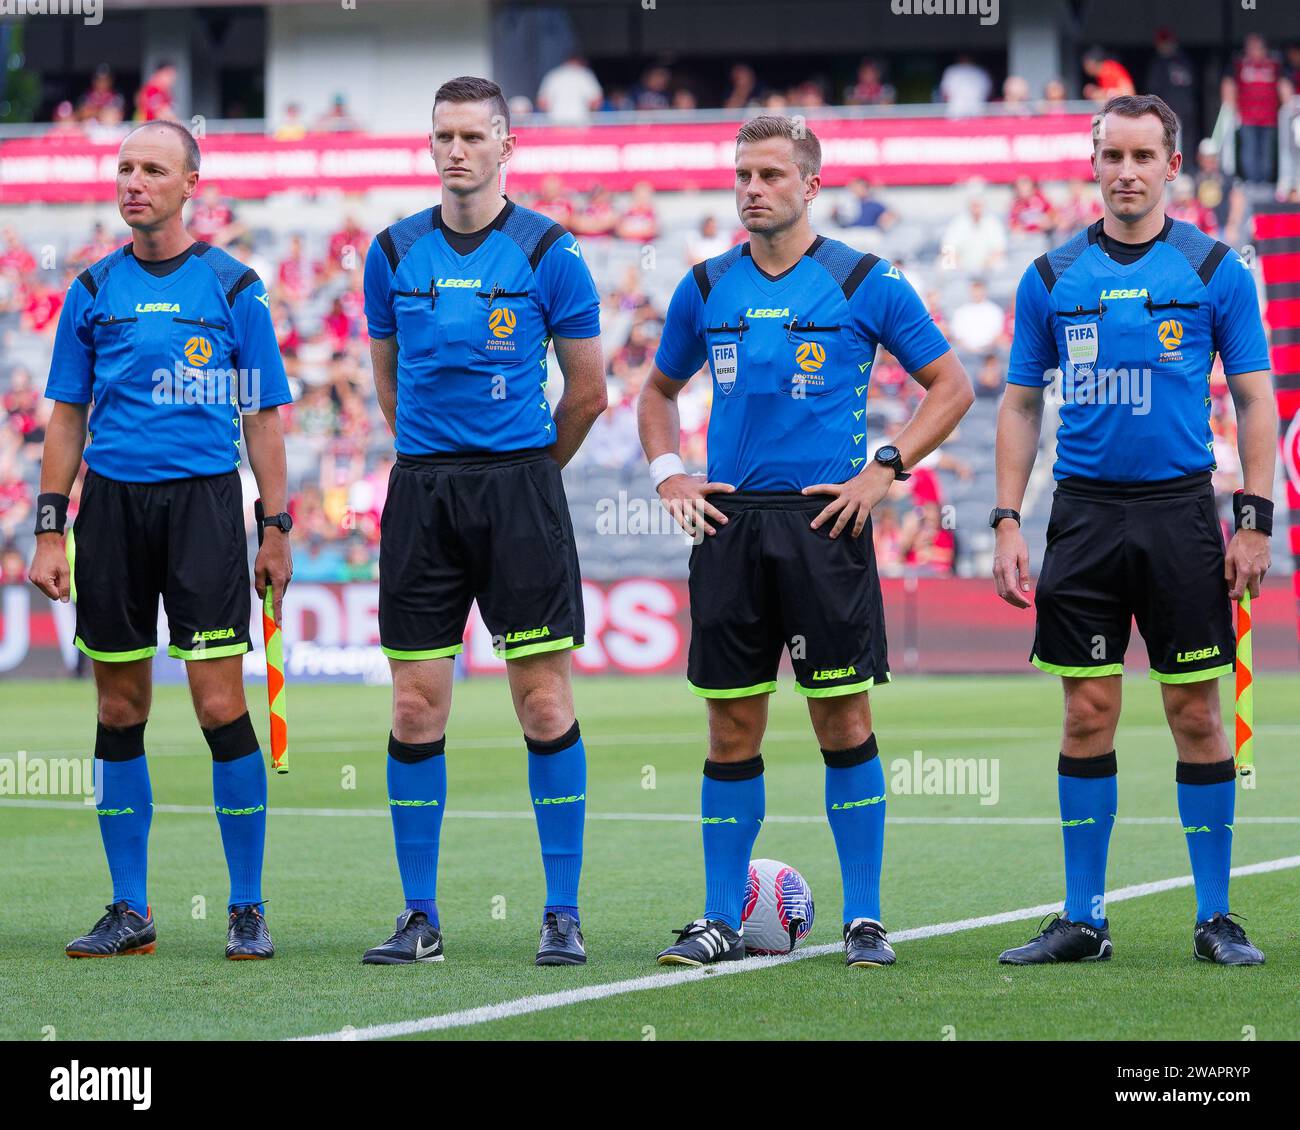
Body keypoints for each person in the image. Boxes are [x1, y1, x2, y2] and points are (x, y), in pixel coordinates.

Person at [638, 115, 973, 969]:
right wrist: (669, 473)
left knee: (842, 717)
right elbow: (656, 392)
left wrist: (884, 468)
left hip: (828, 524)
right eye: (743, 175)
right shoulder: (704, 285)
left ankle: (865, 919)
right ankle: (717, 918)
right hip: (731, 523)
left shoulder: (866, 279)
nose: (753, 188)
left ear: (811, 185)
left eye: (771, 175)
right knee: (731, 726)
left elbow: (951, 385)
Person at [993, 95, 1275, 967]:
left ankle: (1216, 917)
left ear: (1171, 165)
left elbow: (1255, 398)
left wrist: (1255, 522)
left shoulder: (1215, 267)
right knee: (1087, 712)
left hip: (1182, 514)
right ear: (1094, 163)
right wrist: (1007, 516)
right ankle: (1084, 918)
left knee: (1198, 715)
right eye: (1111, 155)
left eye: (1143, 157)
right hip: (1081, 518)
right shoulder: (1050, 275)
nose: (1126, 172)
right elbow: (1020, 401)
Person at [28, 120, 293, 961]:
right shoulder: (91, 289)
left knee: (220, 706)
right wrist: (49, 528)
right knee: (118, 707)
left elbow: (263, 417)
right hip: (110, 510)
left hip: (204, 511)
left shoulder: (234, 286)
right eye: (124, 168)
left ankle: (246, 908)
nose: (134, 181)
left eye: (153, 169)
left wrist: (275, 526)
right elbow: (67, 416)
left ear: (190, 185)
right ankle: (130, 908)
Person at [361, 76, 606, 967]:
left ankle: (561, 913)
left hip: (519, 493)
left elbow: (588, 394)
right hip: (423, 492)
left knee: (543, 704)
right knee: (415, 704)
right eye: (443, 136)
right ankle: (419, 916)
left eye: (473, 135)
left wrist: (530, 478)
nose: (456, 150)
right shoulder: (390, 251)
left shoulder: (551, 250)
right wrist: (438, 456)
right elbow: (391, 384)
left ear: (508, 145)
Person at [1225, 34, 1285, 184]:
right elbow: (1229, 84)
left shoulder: (1273, 64)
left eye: (1258, 47)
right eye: (1251, 48)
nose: (1254, 51)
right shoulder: (1240, 64)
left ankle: (1265, 181)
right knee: (1249, 151)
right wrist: (1232, 108)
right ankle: (1251, 181)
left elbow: (1283, 85)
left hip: (1269, 117)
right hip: (1247, 116)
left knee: (1266, 152)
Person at [536, 54, 603, 125]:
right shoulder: (585, 74)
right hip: (580, 121)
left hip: (556, 121)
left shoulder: (553, 75)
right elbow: (596, 101)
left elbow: (542, 103)